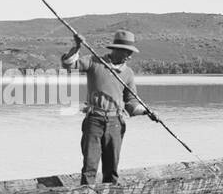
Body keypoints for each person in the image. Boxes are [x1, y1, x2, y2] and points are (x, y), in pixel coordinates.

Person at [60, 30, 158, 185]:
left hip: (116, 123)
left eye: (130, 52)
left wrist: (146, 111)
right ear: (116, 49)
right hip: (94, 121)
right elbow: (69, 65)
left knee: (111, 168)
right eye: (127, 52)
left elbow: (131, 104)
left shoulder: (128, 73)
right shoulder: (94, 61)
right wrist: (77, 46)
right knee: (90, 166)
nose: (129, 56)